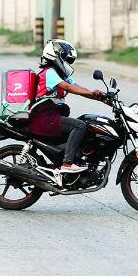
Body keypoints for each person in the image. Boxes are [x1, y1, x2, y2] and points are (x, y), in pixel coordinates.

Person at [27, 39, 108, 178]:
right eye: (66, 59)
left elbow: (78, 87)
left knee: (86, 127)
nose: (68, 63)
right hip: (43, 117)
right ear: (55, 56)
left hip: (49, 117)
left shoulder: (60, 74)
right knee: (79, 126)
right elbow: (69, 88)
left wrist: (100, 97)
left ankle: (67, 160)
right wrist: (91, 93)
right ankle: (67, 164)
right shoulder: (49, 73)